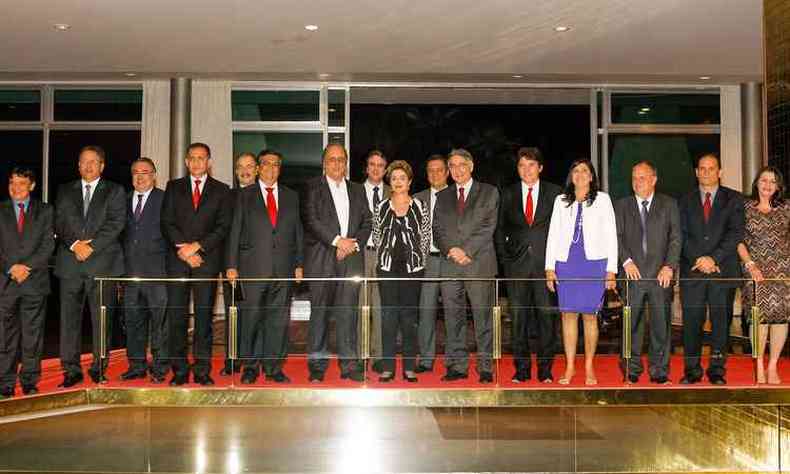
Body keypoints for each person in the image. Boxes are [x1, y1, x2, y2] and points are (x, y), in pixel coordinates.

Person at [226, 150, 303, 384]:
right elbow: (234, 230)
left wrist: (299, 264)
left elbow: (298, 232)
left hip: (283, 268)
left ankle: (273, 367)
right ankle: (250, 366)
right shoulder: (244, 195)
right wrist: (231, 265)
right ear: (258, 168)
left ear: (280, 169)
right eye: (266, 164)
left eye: (276, 165)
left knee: (278, 321)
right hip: (251, 268)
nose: (271, 168)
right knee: (250, 319)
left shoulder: (291, 196)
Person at [161, 142, 232, 386]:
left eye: (202, 158)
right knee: (177, 318)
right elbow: (167, 222)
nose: (197, 162)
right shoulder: (173, 187)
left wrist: (198, 246)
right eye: (192, 158)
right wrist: (184, 249)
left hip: (206, 261)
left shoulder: (222, 190)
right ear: (186, 162)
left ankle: (202, 370)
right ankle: (179, 370)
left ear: (209, 162)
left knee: (204, 319)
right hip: (179, 261)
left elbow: (223, 226)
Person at [55, 145, 126, 387]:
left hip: (102, 265)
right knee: (68, 321)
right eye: (83, 161)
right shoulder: (64, 191)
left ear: (102, 166)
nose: (88, 166)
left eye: (93, 162)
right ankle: (70, 369)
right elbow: (59, 223)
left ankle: (99, 367)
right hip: (70, 265)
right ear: (78, 165)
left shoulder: (115, 191)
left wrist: (91, 246)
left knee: (102, 320)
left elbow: (116, 223)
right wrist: (75, 244)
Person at [302, 144, 371, 382]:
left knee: (347, 313)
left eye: (341, 159)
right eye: (332, 159)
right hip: (321, 259)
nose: (337, 164)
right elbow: (311, 220)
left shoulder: (358, 189)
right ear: (324, 163)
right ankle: (317, 367)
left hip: (350, 260)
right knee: (319, 313)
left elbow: (367, 222)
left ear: (346, 162)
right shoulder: (312, 187)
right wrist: (337, 241)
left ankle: (349, 365)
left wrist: (352, 245)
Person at [545, 159, 617, 386]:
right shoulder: (560, 201)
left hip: (594, 263)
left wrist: (611, 270)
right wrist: (549, 267)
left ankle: (588, 367)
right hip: (566, 263)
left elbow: (611, 235)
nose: (580, 174)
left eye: (584, 171)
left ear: (592, 176)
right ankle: (569, 366)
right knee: (567, 315)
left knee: (589, 316)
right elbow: (553, 234)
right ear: (571, 176)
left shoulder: (603, 200)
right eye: (575, 170)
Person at [495, 147, 561, 383]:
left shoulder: (556, 193)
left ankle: (545, 371)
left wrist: (557, 263)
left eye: (531, 165)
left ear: (540, 168)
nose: (527, 170)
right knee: (518, 320)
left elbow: (562, 230)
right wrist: (505, 259)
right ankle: (521, 370)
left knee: (546, 320)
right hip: (517, 267)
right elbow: (499, 228)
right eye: (522, 165)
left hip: (547, 268)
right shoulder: (508, 193)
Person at [432, 148, 499, 383]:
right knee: (453, 318)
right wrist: (452, 250)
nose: (457, 169)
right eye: (452, 166)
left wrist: (466, 250)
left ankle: (486, 367)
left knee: (483, 318)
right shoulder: (442, 197)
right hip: (450, 264)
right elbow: (437, 230)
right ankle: (457, 365)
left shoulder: (489, 192)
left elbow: (488, 226)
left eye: (461, 165)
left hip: (478, 263)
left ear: (471, 166)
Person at [678, 152, 744, 385]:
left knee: (720, 324)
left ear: (720, 172)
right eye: (702, 168)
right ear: (696, 172)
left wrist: (713, 259)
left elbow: (735, 233)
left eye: (711, 168)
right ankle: (692, 370)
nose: (706, 172)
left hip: (722, 272)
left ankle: (717, 369)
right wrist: (699, 259)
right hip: (692, 272)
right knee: (692, 325)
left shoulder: (734, 199)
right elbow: (680, 235)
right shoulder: (683, 201)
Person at [614, 161, 681, 385]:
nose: (637, 182)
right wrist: (626, 261)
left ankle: (659, 371)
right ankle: (631, 370)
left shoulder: (669, 204)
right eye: (634, 178)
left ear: (654, 179)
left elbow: (675, 238)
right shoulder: (621, 205)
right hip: (632, 276)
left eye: (642, 177)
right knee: (631, 325)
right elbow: (617, 237)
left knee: (661, 326)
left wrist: (669, 266)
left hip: (660, 276)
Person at [371, 160, 431, 382]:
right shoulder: (381, 207)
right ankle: (388, 367)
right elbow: (377, 237)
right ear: (390, 181)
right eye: (394, 178)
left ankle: (408, 367)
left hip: (412, 271)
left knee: (409, 319)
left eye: (402, 178)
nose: (397, 182)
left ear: (409, 182)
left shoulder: (420, 207)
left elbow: (425, 239)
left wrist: (418, 263)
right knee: (388, 318)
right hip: (387, 270)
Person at [0, 168, 54, 398]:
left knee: (33, 336)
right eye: (12, 183)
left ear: (32, 186)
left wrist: (26, 267)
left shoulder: (45, 210)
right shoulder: (0, 210)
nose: (16, 188)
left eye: (22, 183)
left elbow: (47, 246)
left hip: (34, 282)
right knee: (4, 337)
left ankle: (30, 381)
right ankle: (5, 382)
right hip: (6, 283)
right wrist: (11, 268)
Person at [737, 166, 789, 384]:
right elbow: (738, 240)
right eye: (764, 180)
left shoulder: (786, 208)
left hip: (782, 270)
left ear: (778, 187)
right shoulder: (744, 208)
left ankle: (773, 366)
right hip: (754, 270)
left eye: (772, 182)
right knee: (759, 318)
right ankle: (758, 365)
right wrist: (750, 264)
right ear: (756, 183)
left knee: (780, 318)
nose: (767, 185)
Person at [120, 157, 169, 383]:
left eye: (145, 172)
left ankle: (159, 367)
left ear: (154, 175)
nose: (140, 177)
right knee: (133, 322)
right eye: (135, 172)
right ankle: (137, 365)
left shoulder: (165, 199)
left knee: (159, 323)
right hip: (130, 274)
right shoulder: (123, 200)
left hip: (158, 273)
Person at [220, 152, 259, 376]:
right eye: (240, 167)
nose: (244, 171)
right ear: (236, 172)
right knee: (233, 313)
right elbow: (226, 231)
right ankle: (232, 360)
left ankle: (254, 361)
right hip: (233, 266)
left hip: (258, 266)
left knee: (256, 316)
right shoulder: (228, 197)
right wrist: (229, 264)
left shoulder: (266, 195)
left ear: (256, 170)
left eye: (249, 166)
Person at [413, 154, 449, 373]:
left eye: (439, 170)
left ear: (447, 173)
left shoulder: (458, 196)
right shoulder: (416, 199)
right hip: (427, 262)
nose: (435, 174)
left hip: (451, 262)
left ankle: (455, 360)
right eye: (430, 171)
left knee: (454, 313)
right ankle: (426, 360)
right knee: (425, 311)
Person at [361, 150, 390, 373]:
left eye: (380, 165)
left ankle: (379, 356)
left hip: (385, 256)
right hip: (361, 254)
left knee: (381, 307)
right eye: (372, 164)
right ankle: (361, 354)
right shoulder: (353, 191)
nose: (376, 168)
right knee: (361, 307)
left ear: (386, 169)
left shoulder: (394, 192)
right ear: (366, 167)